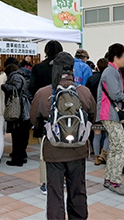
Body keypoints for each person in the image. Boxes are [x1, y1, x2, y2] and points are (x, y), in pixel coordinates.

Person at [31, 52, 96, 219]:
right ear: (72, 69)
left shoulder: (43, 93)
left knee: (55, 192)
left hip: (53, 150)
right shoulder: (84, 92)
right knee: (78, 189)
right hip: (78, 149)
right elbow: (93, 116)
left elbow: (34, 120)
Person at [96, 43, 124, 196]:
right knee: (123, 148)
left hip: (110, 114)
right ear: (116, 57)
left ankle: (110, 179)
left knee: (116, 147)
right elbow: (115, 95)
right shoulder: (110, 72)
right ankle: (114, 181)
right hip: (109, 114)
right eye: (123, 57)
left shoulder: (112, 71)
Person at [28, 40, 63, 195]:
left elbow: (31, 88)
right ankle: (60, 181)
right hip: (63, 112)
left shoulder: (38, 67)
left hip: (44, 112)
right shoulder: (64, 67)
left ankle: (45, 183)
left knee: (45, 150)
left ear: (46, 51)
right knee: (62, 148)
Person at [1, 63, 31, 166]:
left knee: (17, 136)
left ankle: (17, 159)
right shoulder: (21, 75)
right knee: (22, 136)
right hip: (24, 110)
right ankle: (21, 156)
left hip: (18, 110)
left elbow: (16, 89)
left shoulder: (15, 76)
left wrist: (4, 86)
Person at [86, 58, 110, 165]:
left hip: (95, 110)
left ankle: (96, 156)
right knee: (109, 133)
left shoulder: (92, 78)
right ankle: (103, 154)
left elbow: (87, 94)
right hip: (107, 109)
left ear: (98, 67)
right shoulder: (109, 79)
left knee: (97, 134)